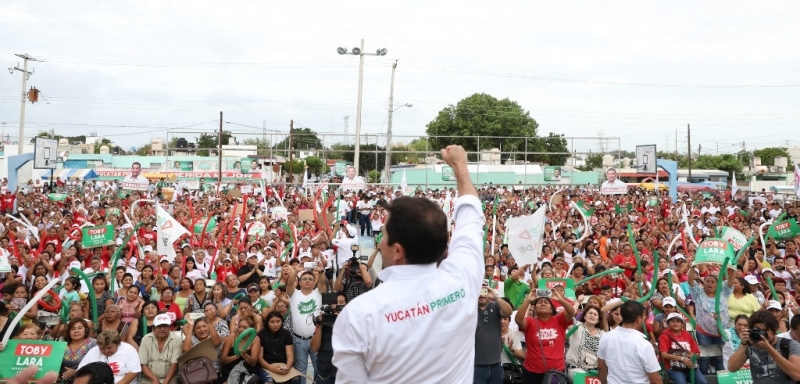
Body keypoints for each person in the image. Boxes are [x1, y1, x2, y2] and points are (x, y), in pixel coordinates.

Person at [332, 145, 485, 383]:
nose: (379, 242)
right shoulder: (463, 280)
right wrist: (461, 168)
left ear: (398, 251)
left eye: (383, 234)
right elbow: (471, 221)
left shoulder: (360, 315)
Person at [515, 288, 575, 384]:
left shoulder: (559, 320)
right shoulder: (530, 322)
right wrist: (528, 300)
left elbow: (571, 312)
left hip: (557, 371)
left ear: (552, 309)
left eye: (546, 302)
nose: (543, 303)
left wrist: (560, 299)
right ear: (535, 308)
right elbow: (518, 320)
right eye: (539, 302)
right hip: (532, 372)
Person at [597, 301, 662, 384]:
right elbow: (655, 380)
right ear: (639, 319)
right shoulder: (644, 345)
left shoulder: (606, 337)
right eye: (643, 317)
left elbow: (601, 368)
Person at [728, 309, 800, 383]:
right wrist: (744, 344)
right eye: (758, 330)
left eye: (766, 330)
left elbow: (797, 375)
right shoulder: (751, 344)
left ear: (774, 329)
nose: (762, 334)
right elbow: (732, 368)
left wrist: (768, 348)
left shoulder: (789, 345)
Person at [688, 264, 735, 374]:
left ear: (718, 284)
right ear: (703, 283)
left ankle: (721, 378)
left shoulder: (723, 292)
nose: (710, 283)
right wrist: (692, 267)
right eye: (707, 281)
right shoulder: (699, 293)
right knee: (705, 357)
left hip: (722, 331)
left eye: (713, 282)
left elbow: (730, 282)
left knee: (721, 357)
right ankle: (704, 378)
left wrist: (733, 269)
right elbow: (690, 281)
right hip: (704, 332)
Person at [286, 266, 326, 384]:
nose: (307, 280)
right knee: (300, 370)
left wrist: (321, 272)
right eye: (304, 278)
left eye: (310, 278)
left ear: (315, 282)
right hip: (299, 340)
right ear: (299, 282)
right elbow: (289, 284)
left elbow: (323, 283)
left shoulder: (318, 294)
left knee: (318, 369)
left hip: (316, 339)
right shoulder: (294, 294)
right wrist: (296, 271)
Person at [474, 284, 513, 384]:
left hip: (496, 365)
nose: (481, 295)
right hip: (475, 366)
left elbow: (508, 312)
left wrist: (496, 296)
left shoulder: (495, 306)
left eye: (484, 291)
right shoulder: (469, 308)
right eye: (479, 291)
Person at [658, 313, 706, 384]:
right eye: (672, 321)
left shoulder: (687, 334)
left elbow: (698, 353)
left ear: (682, 324)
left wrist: (693, 355)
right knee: (681, 382)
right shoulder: (664, 335)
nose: (675, 323)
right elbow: (663, 355)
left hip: (689, 365)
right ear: (668, 323)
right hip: (673, 367)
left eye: (678, 321)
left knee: (702, 382)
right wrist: (682, 359)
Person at [566, 305, 605, 382]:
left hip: (595, 371)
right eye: (590, 313)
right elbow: (569, 314)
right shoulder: (577, 325)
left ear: (598, 320)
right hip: (575, 368)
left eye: (595, 314)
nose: (592, 315)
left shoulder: (602, 334)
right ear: (584, 316)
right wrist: (578, 302)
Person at [138, 314, 182, 384]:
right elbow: (143, 364)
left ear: (170, 327)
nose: (162, 329)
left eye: (165, 326)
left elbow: (174, 364)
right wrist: (154, 379)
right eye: (159, 326)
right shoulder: (146, 339)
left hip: (170, 379)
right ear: (153, 328)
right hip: (149, 378)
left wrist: (165, 382)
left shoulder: (176, 340)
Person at [60, 318, 98, 383]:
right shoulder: (63, 344)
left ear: (85, 330)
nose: (76, 331)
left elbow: (97, 366)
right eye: (73, 329)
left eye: (80, 328)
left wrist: (76, 372)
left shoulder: (93, 343)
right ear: (69, 331)